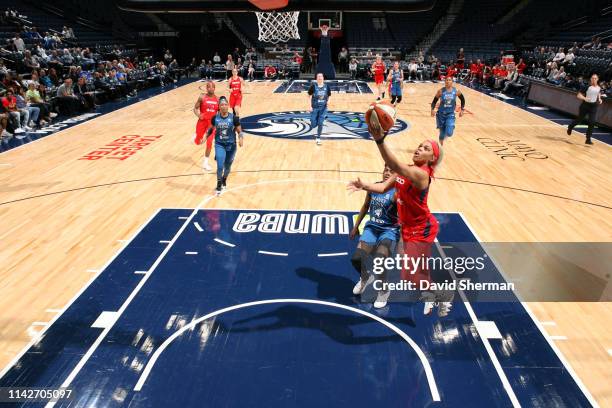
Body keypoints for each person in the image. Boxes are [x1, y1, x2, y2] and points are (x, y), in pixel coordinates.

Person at [347, 133, 451, 317]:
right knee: (411, 273)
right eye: (420, 145)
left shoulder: (421, 175)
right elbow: (381, 187)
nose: (419, 148)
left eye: (426, 148)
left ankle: (439, 294)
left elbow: (394, 165)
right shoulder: (406, 171)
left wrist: (379, 140)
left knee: (411, 273)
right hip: (409, 227)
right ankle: (433, 293)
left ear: (432, 159)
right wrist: (364, 185)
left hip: (423, 227)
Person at [349, 165, 399, 308]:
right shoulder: (374, 188)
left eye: (392, 171)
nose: (387, 173)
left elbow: (405, 215)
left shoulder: (399, 193)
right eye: (386, 169)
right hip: (372, 228)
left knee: (380, 261)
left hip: (389, 230)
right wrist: (355, 226)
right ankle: (365, 277)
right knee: (356, 258)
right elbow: (365, 206)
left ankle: (384, 290)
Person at [204, 96, 244, 195]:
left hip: (231, 145)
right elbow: (210, 129)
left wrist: (241, 138)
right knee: (220, 165)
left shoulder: (234, 118)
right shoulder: (215, 118)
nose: (224, 106)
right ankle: (218, 183)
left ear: (228, 106)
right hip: (219, 144)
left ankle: (224, 179)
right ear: (219, 106)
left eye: (226, 104)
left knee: (227, 166)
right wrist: (205, 137)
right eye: (222, 104)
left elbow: (239, 130)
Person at [567, 73, 602, 145]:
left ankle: (588, 139)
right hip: (585, 106)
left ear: (597, 79)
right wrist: (585, 98)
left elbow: (598, 92)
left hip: (593, 106)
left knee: (592, 122)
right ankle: (570, 127)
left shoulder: (599, 87)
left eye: (595, 78)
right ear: (590, 79)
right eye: (592, 78)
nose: (594, 80)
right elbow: (578, 95)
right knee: (579, 120)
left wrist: (599, 98)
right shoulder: (587, 87)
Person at [431, 76, 465, 145]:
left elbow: (462, 99)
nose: (448, 81)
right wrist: (432, 110)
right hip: (441, 114)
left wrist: (462, 110)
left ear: (452, 82)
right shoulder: (440, 91)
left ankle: (450, 126)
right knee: (441, 134)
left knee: (449, 133)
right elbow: (434, 101)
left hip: (450, 114)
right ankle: (441, 147)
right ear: (445, 82)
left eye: (449, 80)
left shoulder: (456, 91)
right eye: (446, 80)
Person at [193, 81, 219, 171]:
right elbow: (195, 108)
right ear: (206, 88)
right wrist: (198, 115)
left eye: (212, 87)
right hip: (202, 122)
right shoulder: (202, 97)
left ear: (214, 88)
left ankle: (205, 163)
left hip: (211, 125)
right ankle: (195, 138)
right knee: (198, 142)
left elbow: (220, 113)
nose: (210, 88)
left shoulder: (218, 100)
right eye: (208, 87)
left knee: (209, 142)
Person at [308, 72, 331, 146]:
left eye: (321, 76)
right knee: (313, 124)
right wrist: (309, 106)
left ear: (323, 78)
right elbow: (309, 96)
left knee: (320, 123)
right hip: (315, 107)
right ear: (316, 78)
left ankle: (318, 138)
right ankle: (315, 119)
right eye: (318, 76)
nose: (320, 78)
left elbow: (329, 95)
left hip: (323, 108)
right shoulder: (313, 86)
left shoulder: (327, 86)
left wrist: (328, 101)